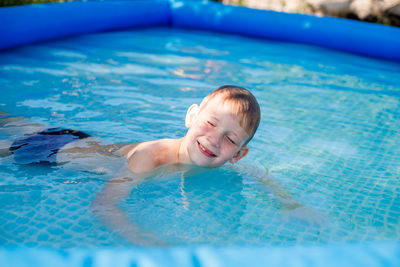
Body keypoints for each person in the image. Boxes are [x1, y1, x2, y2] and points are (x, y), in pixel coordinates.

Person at [0, 85, 324, 246]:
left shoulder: (227, 162)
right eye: (210, 124)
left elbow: (259, 175)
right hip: (53, 152)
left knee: (14, 121)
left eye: (229, 139)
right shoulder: (151, 157)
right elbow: (104, 206)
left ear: (238, 155)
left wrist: (290, 205)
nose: (213, 140)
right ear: (191, 116)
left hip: (80, 139)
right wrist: (148, 243)